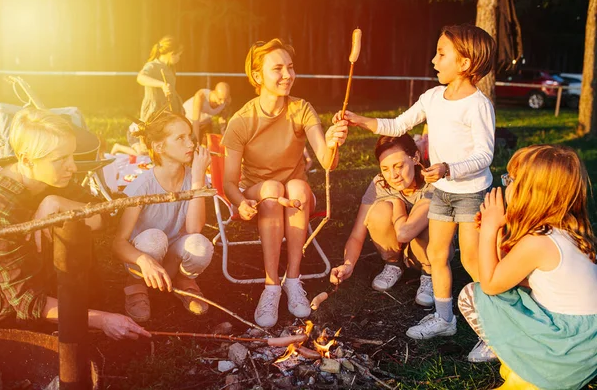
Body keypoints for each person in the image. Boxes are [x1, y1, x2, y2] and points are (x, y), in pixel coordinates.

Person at [334, 24, 496, 358]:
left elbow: (485, 154)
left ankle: (494, 331)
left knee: (470, 259)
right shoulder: (433, 98)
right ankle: (444, 316)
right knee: (437, 255)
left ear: (465, 63)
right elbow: (397, 126)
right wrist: (359, 120)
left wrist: (449, 168)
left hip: (469, 192)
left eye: (441, 53)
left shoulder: (478, 105)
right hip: (441, 191)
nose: (434, 59)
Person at [222, 39, 348, 328]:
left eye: (290, 67)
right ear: (257, 76)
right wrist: (241, 203)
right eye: (277, 68)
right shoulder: (241, 120)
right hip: (260, 195)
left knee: (298, 187)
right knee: (271, 189)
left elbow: (327, 162)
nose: (287, 75)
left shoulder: (301, 109)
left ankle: (293, 279)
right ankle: (271, 286)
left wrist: (334, 141)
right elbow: (229, 182)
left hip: (296, 196)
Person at [0, 108, 150, 340]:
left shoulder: (51, 179)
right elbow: (26, 302)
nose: (73, 167)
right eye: (60, 160)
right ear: (26, 160)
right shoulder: (3, 212)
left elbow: (107, 215)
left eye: (71, 155)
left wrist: (57, 202)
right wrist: (102, 319)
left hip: (47, 285)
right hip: (9, 306)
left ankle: (79, 301)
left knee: (74, 219)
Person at [458, 145, 597, 389]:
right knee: (511, 291)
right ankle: (526, 364)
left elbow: (490, 284)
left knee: (472, 295)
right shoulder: (565, 232)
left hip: (564, 353)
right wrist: (497, 230)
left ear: (533, 192)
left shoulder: (539, 242)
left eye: (510, 179)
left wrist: (490, 230)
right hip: (582, 348)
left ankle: (527, 370)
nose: (506, 185)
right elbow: (505, 274)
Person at [112, 112, 214, 323]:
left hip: (174, 254)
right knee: (154, 238)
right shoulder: (142, 186)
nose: (191, 143)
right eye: (180, 138)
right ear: (159, 147)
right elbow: (118, 242)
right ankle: (136, 283)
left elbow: (194, 228)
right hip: (146, 253)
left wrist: (197, 179)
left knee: (201, 245)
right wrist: (144, 260)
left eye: (190, 136)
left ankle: (183, 280)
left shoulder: (193, 177)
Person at [330, 135, 435, 307]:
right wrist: (348, 265)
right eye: (385, 169)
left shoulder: (431, 184)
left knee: (427, 220)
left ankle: (430, 274)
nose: (393, 175)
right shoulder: (380, 183)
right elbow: (357, 233)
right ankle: (393, 263)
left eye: (399, 166)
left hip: (430, 249)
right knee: (378, 211)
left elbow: (405, 232)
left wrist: (397, 203)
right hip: (399, 244)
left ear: (415, 158)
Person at [137, 35, 184, 122]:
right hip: (155, 112)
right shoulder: (152, 65)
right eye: (179, 55)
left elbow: (171, 90)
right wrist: (162, 84)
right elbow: (141, 78)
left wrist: (179, 106)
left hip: (169, 110)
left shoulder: (170, 68)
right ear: (172, 54)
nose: (179, 58)